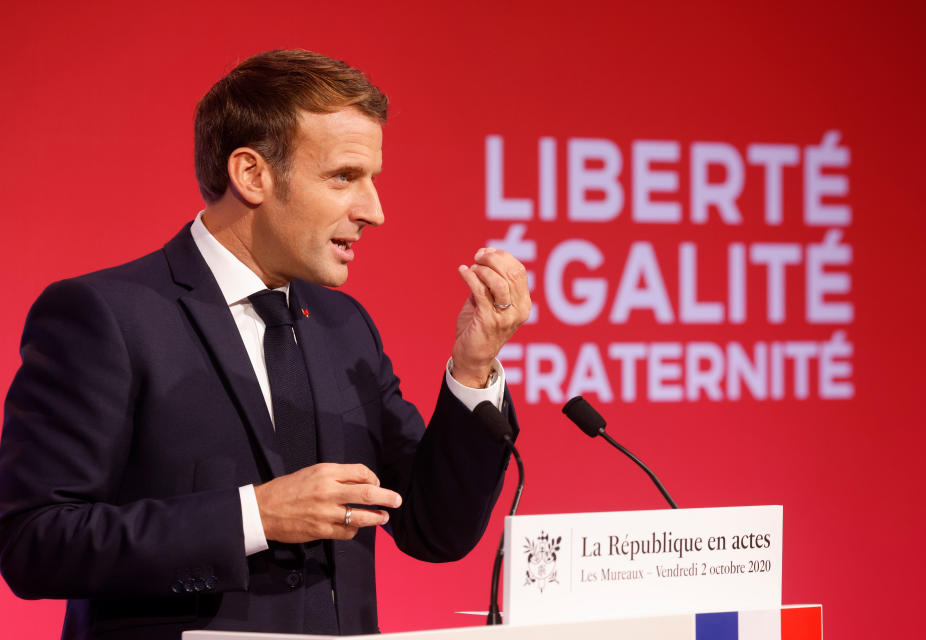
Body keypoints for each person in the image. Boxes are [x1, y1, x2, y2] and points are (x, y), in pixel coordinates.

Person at [0, 49, 530, 639]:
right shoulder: (106, 317)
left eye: (372, 179)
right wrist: (255, 516)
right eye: (343, 177)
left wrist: (475, 367)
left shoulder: (344, 326)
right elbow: (36, 543)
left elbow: (437, 530)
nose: (374, 211)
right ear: (252, 175)